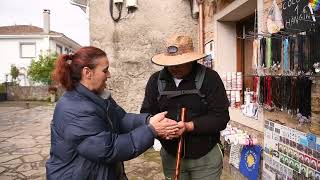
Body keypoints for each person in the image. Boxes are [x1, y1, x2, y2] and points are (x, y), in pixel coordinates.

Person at [46, 46, 180, 180]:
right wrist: (152, 131)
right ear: (87, 72)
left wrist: (148, 121)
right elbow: (107, 149)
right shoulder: (74, 109)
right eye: (105, 70)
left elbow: (121, 119)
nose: (109, 75)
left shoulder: (99, 96)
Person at [141, 35, 230, 180]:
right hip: (171, 155)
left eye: (179, 63)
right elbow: (146, 114)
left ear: (192, 60)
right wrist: (160, 129)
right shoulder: (156, 80)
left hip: (206, 157)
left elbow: (221, 117)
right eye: (171, 63)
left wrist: (188, 126)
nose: (174, 67)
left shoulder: (210, 78)